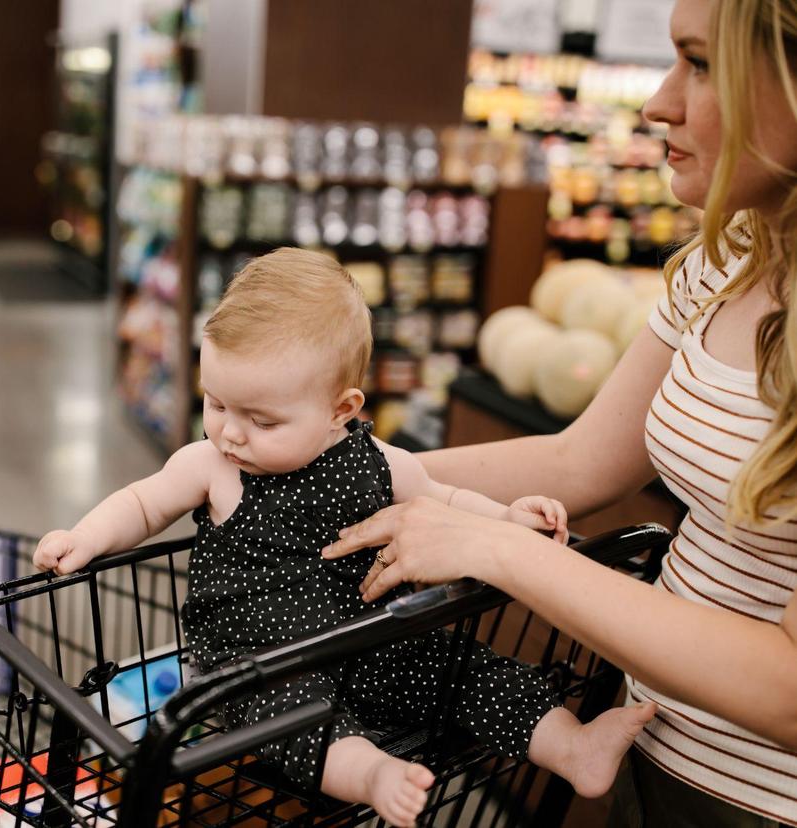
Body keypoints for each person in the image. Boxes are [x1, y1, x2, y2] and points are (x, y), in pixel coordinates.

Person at [322, 1, 797, 825]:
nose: (658, 101)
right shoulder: (726, 263)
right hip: (653, 755)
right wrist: (319, 465)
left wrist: (507, 550)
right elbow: (579, 462)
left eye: (701, 63)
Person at [34, 248, 655, 827]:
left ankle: (571, 745)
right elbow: (142, 503)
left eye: (262, 419)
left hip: (375, 644)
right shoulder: (211, 467)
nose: (231, 434)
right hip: (261, 662)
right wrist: (87, 535)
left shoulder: (381, 461)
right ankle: (371, 773)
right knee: (287, 720)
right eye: (216, 404)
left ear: (341, 408)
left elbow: (445, 501)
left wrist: (510, 519)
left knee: (466, 668)